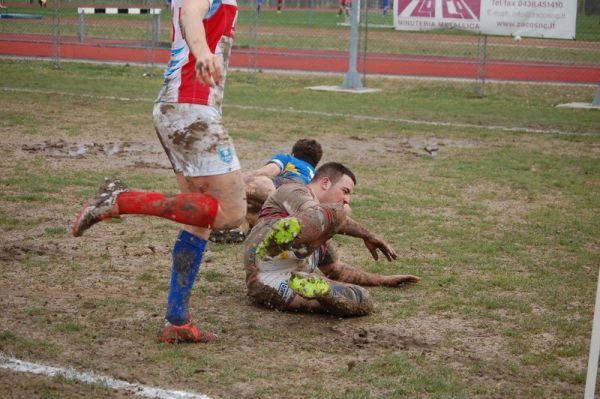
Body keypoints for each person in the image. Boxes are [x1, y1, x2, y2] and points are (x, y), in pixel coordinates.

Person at [72, 0, 245, 344]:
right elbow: (190, 14)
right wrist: (203, 53)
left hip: (180, 108)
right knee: (231, 215)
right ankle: (120, 200)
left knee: (198, 218)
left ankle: (177, 320)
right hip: (190, 110)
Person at [244, 162, 420, 316]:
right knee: (338, 212)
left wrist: (384, 280)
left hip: (269, 286)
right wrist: (367, 234)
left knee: (362, 300)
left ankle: (322, 290)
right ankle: (279, 239)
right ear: (325, 182)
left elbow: (339, 271)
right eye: (345, 191)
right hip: (263, 253)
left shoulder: (320, 238)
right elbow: (318, 213)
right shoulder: (293, 189)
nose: (346, 199)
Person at [209, 138, 323, 243]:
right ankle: (239, 228)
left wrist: (236, 181)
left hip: (281, 189)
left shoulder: (288, 158)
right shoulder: (316, 176)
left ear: (293, 154)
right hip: (295, 208)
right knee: (255, 212)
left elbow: (267, 171)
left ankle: (231, 223)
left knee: (251, 186)